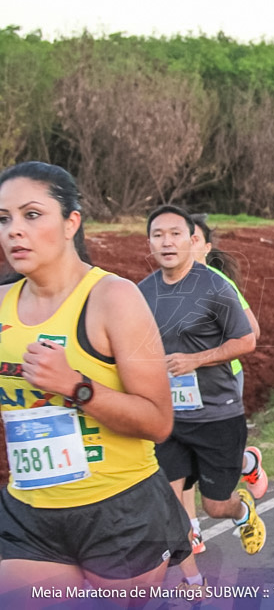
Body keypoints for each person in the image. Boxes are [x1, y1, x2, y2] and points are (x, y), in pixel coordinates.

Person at [0, 162, 190, 601]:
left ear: (71, 223)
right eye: (4, 218)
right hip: (31, 512)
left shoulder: (113, 298)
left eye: (31, 215)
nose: (14, 231)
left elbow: (159, 421)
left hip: (118, 510)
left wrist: (76, 386)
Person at [138, 206, 263, 593]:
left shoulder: (213, 285)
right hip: (168, 418)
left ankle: (241, 510)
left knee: (214, 506)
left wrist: (196, 359)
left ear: (192, 240)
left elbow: (247, 340)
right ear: (150, 243)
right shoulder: (141, 291)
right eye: (159, 235)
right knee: (170, 509)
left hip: (217, 414)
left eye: (176, 234)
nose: (167, 242)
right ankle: (193, 582)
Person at [182, 214, 266, 556]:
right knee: (182, 457)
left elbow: (252, 333)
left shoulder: (217, 282)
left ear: (205, 247)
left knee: (207, 457)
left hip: (222, 381)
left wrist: (204, 355)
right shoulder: (160, 286)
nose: (181, 245)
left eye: (191, 239)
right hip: (180, 384)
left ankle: (245, 462)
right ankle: (192, 531)